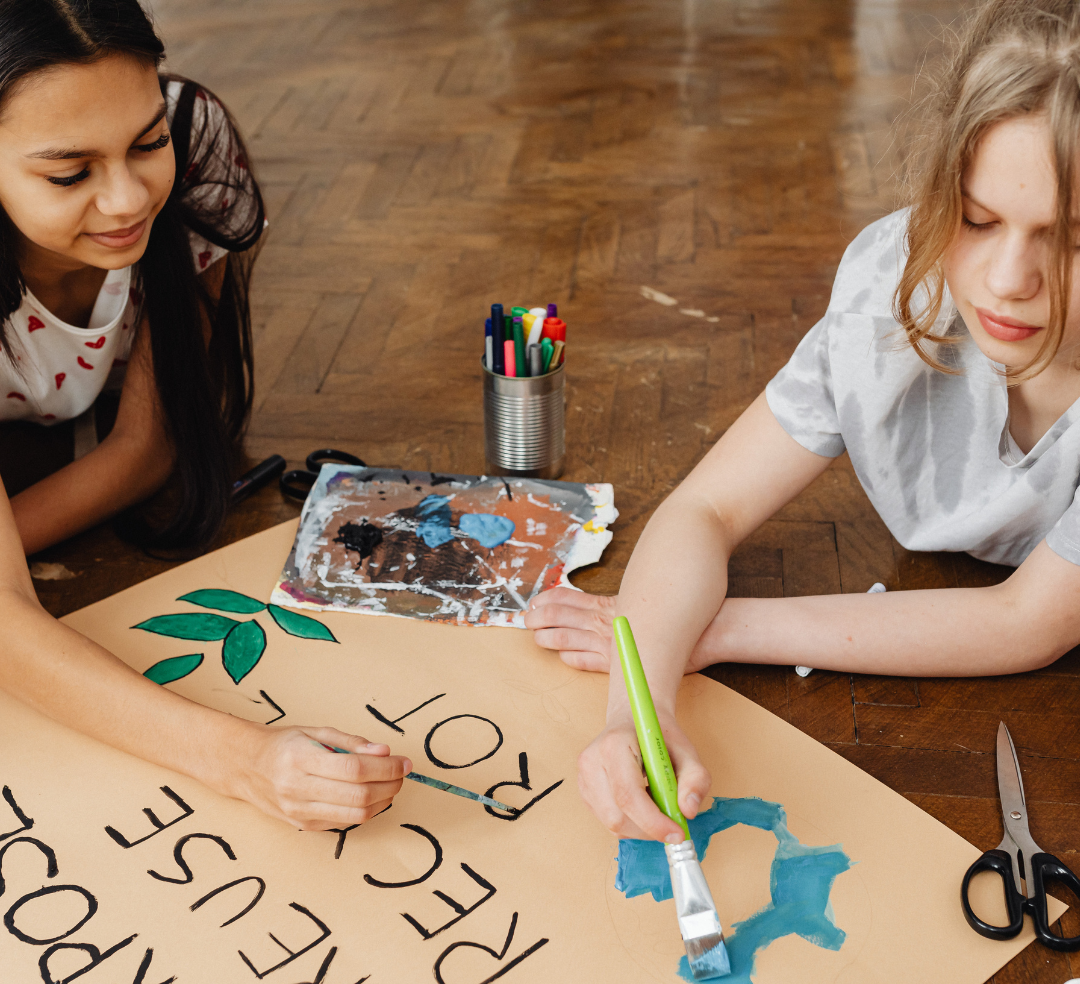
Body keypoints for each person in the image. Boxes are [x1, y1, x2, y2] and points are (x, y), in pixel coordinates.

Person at [527, 0, 1080, 845]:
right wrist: (635, 716)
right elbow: (704, 509)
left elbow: (1027, 621)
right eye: (977, 219)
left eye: (1071, 239)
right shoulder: (897, 290)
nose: (1009, 279)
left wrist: (714, 631)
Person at [0, 0, 410, 830]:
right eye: (68, 173)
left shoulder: (196, 143)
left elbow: (151, 446)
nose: (126, 200)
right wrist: (246, 760)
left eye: (146, 143)